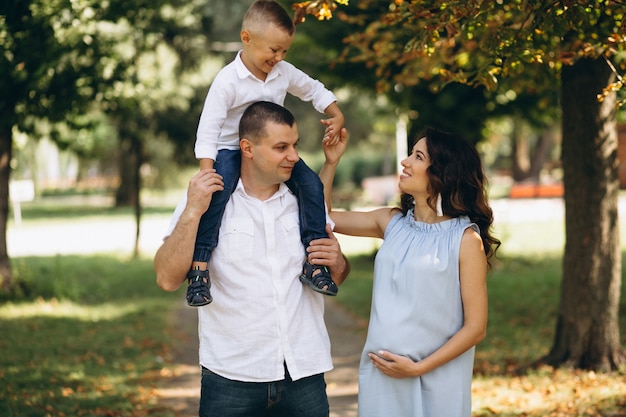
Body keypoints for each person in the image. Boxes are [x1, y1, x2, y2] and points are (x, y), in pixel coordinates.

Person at [155, 101, 350, 417]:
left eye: (295, 145)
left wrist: (338, 261)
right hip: (231, 379)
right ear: (247, 148)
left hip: (304, 374)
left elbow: (336, 276)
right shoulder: (208, 201)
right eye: (281, 147)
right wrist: (192, 211)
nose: (294, 157)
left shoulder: (306, 201)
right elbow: (166, 278)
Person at [320, 127, 501, 417]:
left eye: (418, 156)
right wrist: (331, 162)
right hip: (383, 374)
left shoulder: (466, 240)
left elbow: (475, 326)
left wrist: (417, 369)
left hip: (437, 379)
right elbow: (323, 216)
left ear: (442, 173)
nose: (405, 162)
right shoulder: (390, 222)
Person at [186, 0, 345, 307]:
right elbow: (208, 129)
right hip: (232, 149)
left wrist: (336, 114)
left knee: (311, 184)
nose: (279, 57)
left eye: (285, 51)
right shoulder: (228, 81)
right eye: (273, 50)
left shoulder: (283, 72)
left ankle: (315, 261)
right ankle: (199, 270)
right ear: (247, 39)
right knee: (217, 195)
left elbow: (313, 89)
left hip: (271, 149)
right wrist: (207, 171)